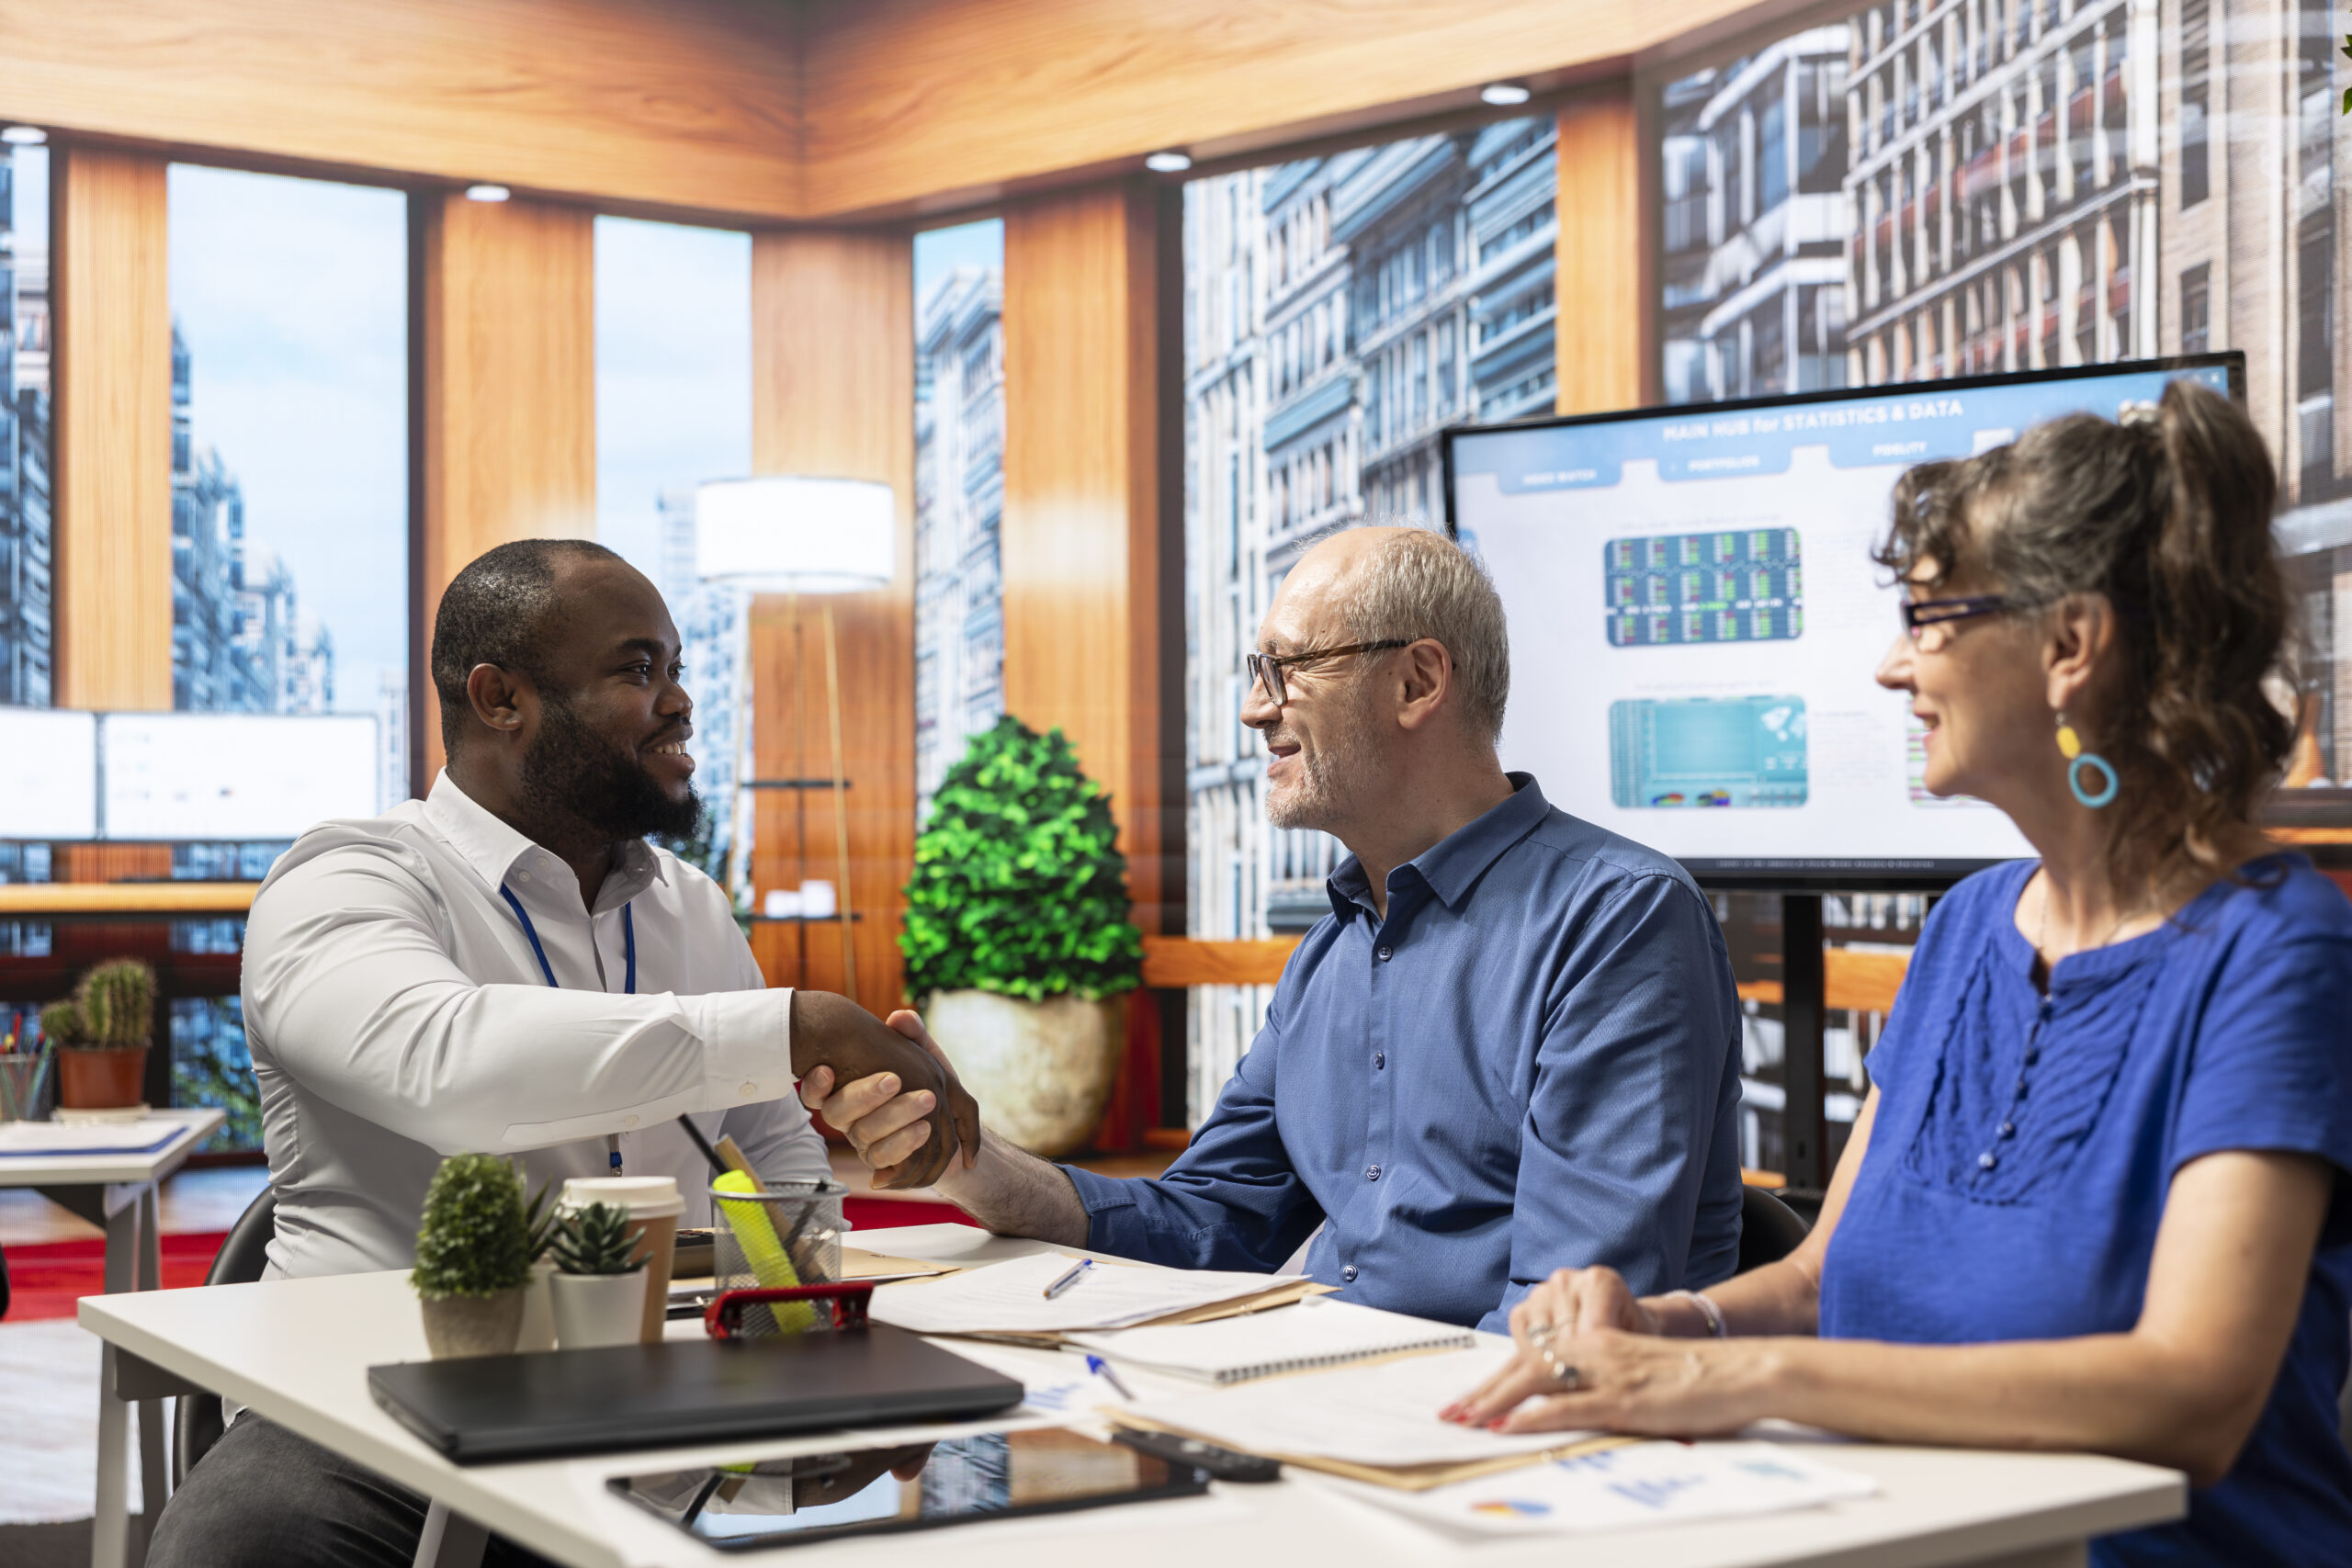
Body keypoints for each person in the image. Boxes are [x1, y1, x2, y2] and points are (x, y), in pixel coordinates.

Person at [1447, 380, 2352, 1565]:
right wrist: (1673, 1325)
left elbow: (2189, 1394)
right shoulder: (1967, 928)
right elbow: (1825, 1280)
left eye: (1929, 620)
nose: (1889, 666)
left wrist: (1736, 1382)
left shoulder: (2278, 949)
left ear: (2069, 645)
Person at [150, 538, 978, 1568]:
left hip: (649, 1426)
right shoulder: (343, 880)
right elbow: (447, 1067)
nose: (678, 701)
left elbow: (776, 1166)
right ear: (501, 699)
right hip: (366, 1434)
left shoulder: (691, 909)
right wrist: (788, 1026)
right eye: (638, 671)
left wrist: (811, 1361)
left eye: (676, 668)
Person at [805, 525, 1746, 1331]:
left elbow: (1572, 1315)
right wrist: (966, 1157)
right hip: (1345, 1407)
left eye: (1287, 670)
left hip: (1502, 1459)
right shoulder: (1330, 952)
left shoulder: (1617, 921)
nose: (1256, 708)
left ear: (1418, 680)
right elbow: (1208, 1224)